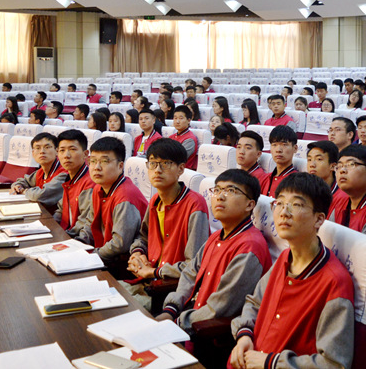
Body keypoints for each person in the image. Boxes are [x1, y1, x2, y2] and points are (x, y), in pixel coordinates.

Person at [229, 173, 355, 369]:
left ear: (319, 219)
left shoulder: (335, 282)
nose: (284, 212)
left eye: (296, 205)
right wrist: (244, 334)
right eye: (279, 203)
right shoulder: (284, 258)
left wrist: (272, 363)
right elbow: (254, 302)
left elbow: (334, 363)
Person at [156, 170, 271, 345]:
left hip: (208, 337)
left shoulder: (250, 247)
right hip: (188, 319)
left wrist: (176, 323)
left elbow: (221, 307)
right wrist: (171, 309)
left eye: (231, 191)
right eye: (217, 190)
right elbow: (190, 273)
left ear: (250, 205)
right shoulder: (217, 236)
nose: (220, 197)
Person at [127, 138, 210, 310]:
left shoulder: (195, 205)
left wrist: (155, 272)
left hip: (170, 291)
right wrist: (137, 254)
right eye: (153, 163)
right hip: (146, 281)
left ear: (181, 169)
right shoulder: (156, 200)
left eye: (165, 164)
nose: (157, 170)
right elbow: (143, 237)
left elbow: (194, 265)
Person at [75, 137, 148, 273]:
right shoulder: (99, 188)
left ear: (120, 166)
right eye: (93, 161)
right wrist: (78, 244)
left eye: (104, 161)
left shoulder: (125, 197)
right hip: (103, 256)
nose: (96, 167)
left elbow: (120, 244)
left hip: (123, 266)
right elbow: (90, 222)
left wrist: (91, 256)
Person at [10, 132, 68, 209]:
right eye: (37, 148)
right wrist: (17, 186)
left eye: (47, 147)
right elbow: (25, 181)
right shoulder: (41, 171)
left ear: (57, 151)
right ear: (33, 153)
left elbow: (40, 195)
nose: (42, 151)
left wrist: (24, 191)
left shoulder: (64, 172)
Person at [53, 129, 95, 237]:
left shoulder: (90, 183)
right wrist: (50, 227)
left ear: (85, 154)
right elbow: (61, 210)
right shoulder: (68, 177)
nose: (66, 155)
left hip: (76, 238)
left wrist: (59, 236)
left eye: (72, 149)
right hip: (64, 232)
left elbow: (84, 224)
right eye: (62, 150)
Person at [264, 125, 299, 197]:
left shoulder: (297, 182)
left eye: (284, 145)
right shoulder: (265, 178)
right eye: (274, 145)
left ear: (295, 148)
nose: (278, 150)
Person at [170, 104, 198, 170]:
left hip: (181, 171)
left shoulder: (189, 139)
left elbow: (178, 159)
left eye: (181, 118)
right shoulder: (171, 137)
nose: (177, 121)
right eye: (175, 118)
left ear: (188, 120)